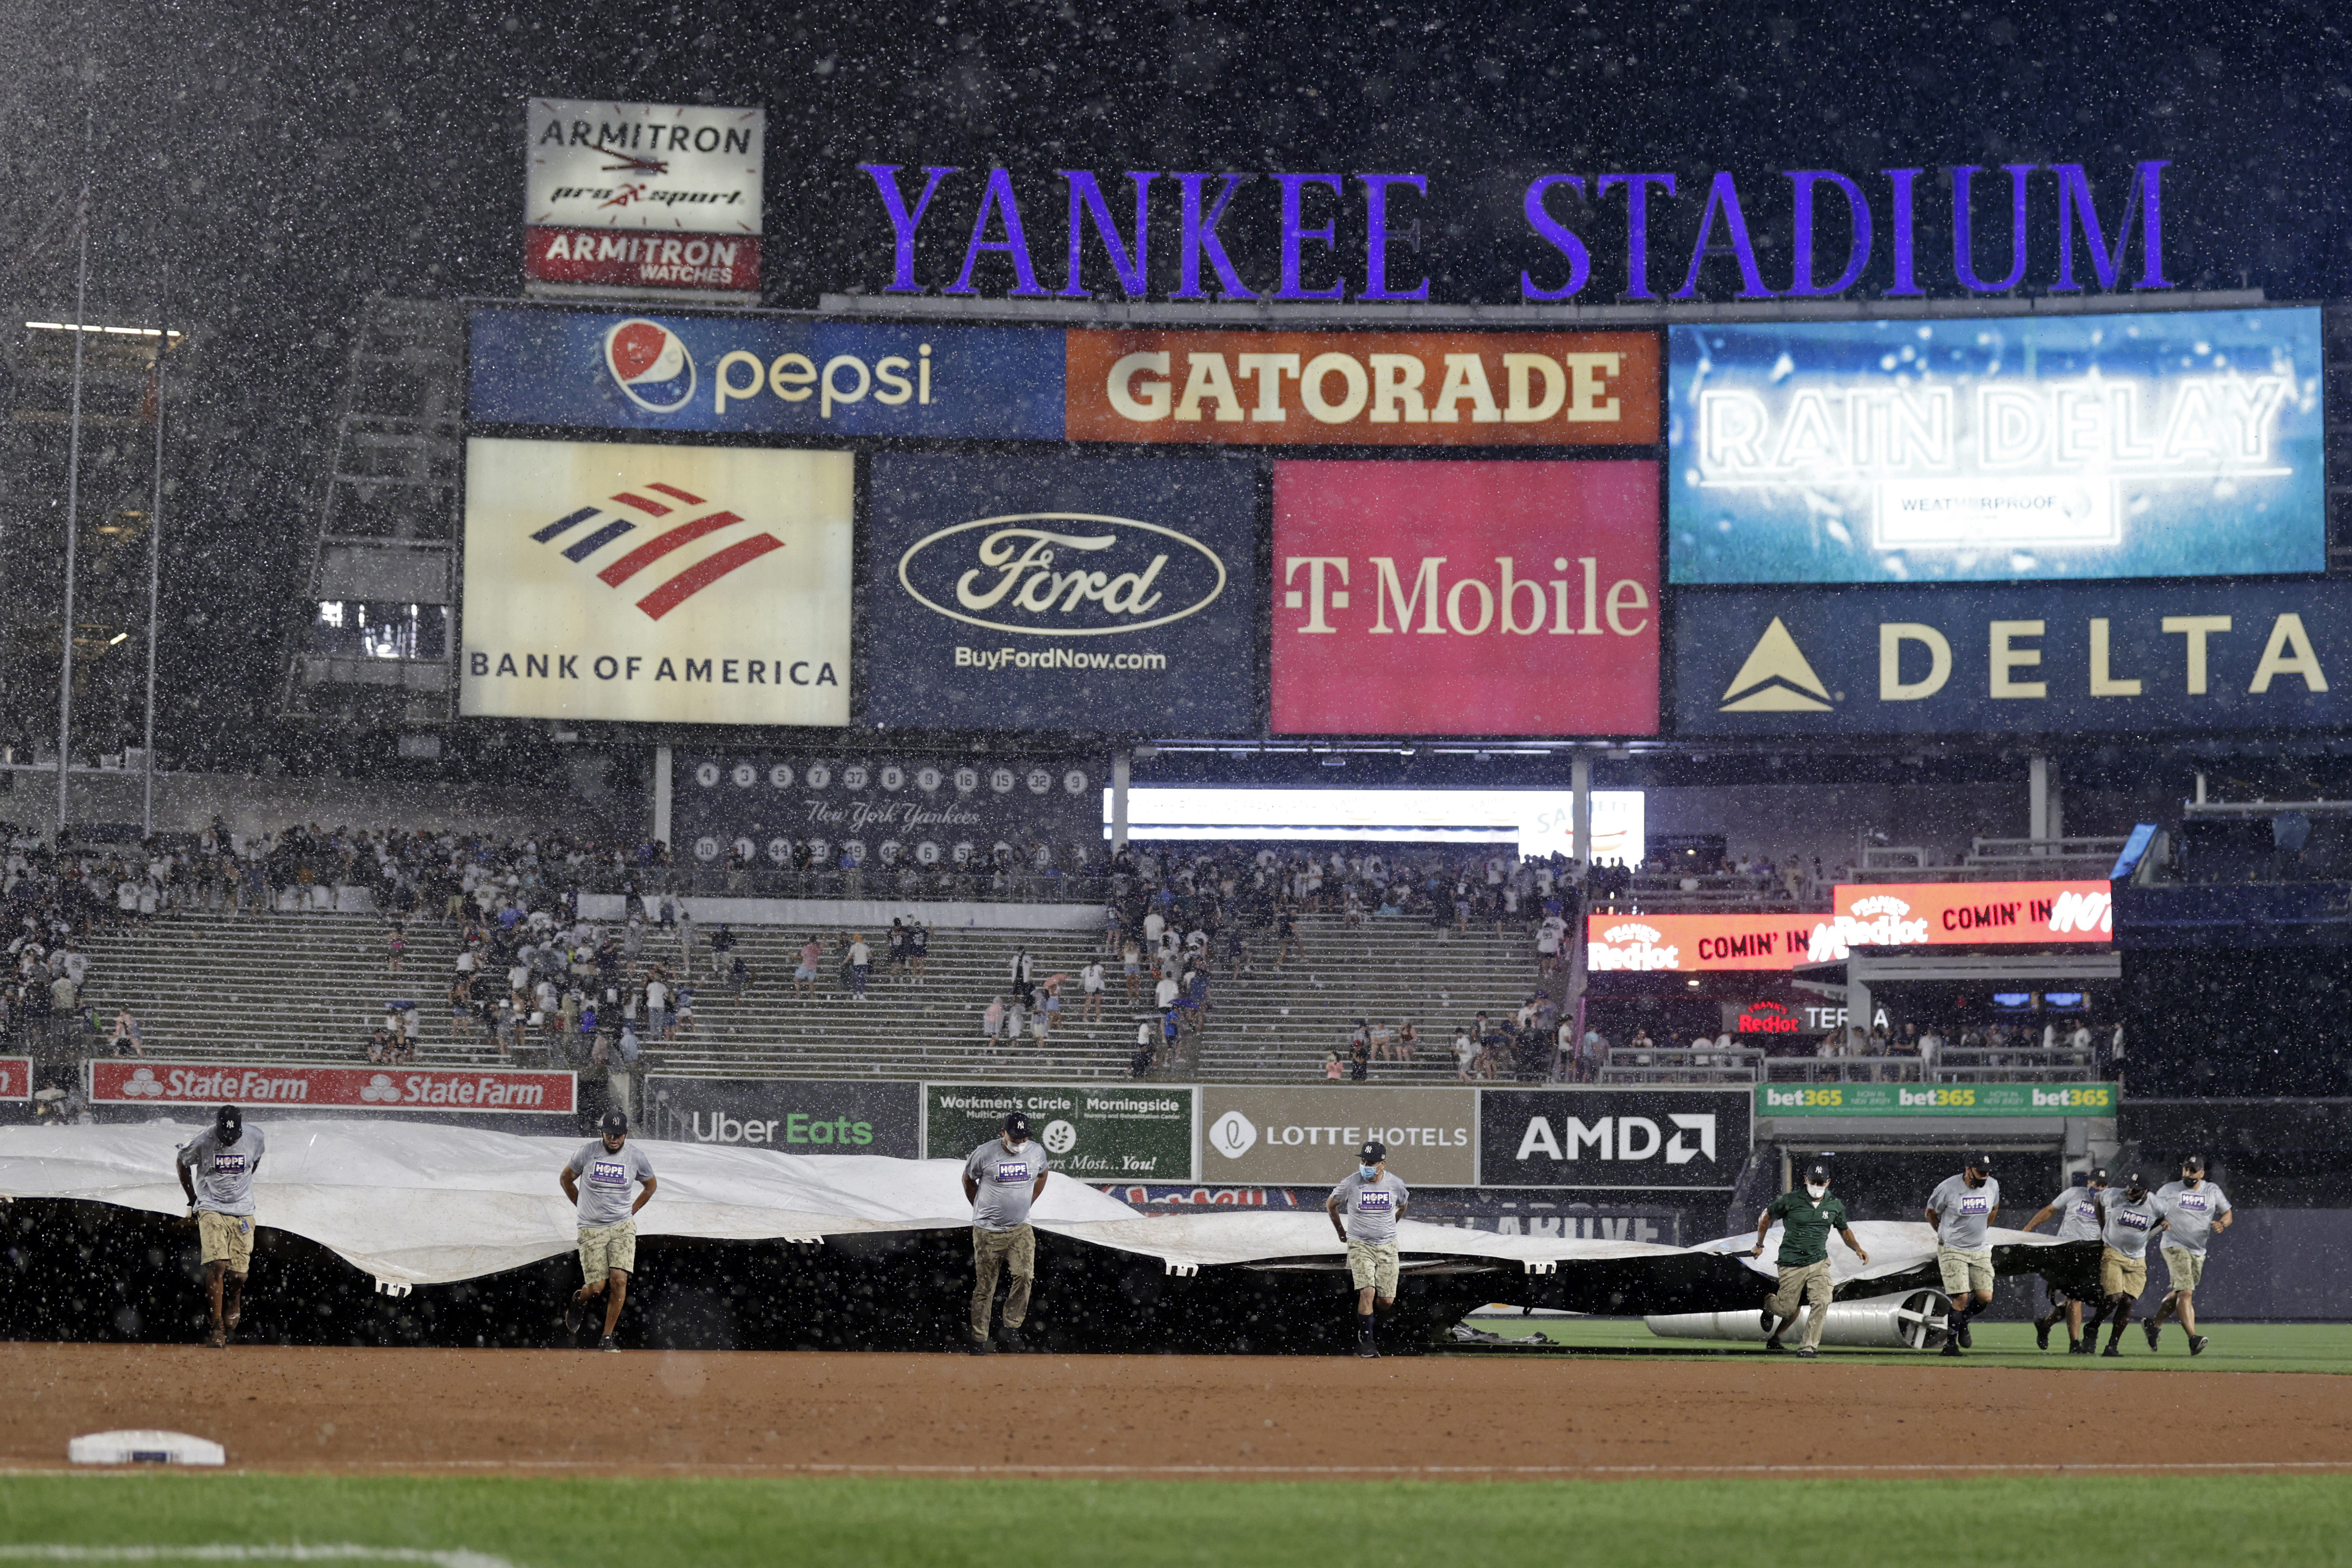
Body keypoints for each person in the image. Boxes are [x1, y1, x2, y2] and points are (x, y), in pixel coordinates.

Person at [560, 1108, 657, 1352]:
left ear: (626, 1134)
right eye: (609, 1134)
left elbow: (650, 1186)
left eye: (619, 1134)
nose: (614, 1139)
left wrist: (631, 1211)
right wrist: (581, 1205)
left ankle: (607, 1337)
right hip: (591, 1228)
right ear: (602, 1132)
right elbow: (566, 1179)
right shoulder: (588, 1152)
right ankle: (579, 1301)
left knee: (619, 1279)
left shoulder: (636, 1157)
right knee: (596, 1289)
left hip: (622, 1226)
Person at [1750, 1161, 1868, 1358]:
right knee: (1786, 1309)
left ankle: (1808, 1347)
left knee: (1822, 1300)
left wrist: (1857, 1248)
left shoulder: (1834, 1205)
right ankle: (1769, 1303)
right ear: (1806, 1180)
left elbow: (1844, 1229)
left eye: (1821, 1182)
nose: (1817, 1186)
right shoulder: (1791, 1200)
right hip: (1791, 1262)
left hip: (1819, 1262)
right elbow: (1766, 1216)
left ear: (1828, 1183)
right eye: (1813, 1181)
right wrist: (1760, 1245)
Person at [176, 1105, 266, 1348]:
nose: (230, 1140)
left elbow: (254, 1162)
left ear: (241, 1129)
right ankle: (217, 1326)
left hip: (243, 1210)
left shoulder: (256, 1137)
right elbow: (182, 1162)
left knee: (239, 1275)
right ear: (216, 1130)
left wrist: (242, 1182)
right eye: (224, 1137)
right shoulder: (203, 1140)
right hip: (210, 1205)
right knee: (217, 1264)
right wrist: (193, 1199)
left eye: (234, 1136)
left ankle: (234, 1296)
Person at [962, 1110, 1049, 1354]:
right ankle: (979, 1338)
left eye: (1023, 1139)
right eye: (1014, 1138)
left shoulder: (1036, 1152)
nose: (1020, 1143)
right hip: (988, 1232)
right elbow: (969, 1179)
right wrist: (979, 1208)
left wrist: (1029, 1201)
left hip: (1020, 1228)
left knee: (1025, 1276)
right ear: (1003, 1133)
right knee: (986, 1287)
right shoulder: (985, 1153)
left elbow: (1043, 1174)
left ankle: (1012, 1327)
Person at [1326, 1139, 1409, 1359]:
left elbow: (1404, 1205)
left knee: (1386, 1302)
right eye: (1364, 1160)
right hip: (1360, 1244)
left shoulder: (1395, 1184)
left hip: (1388, 1245)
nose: (1366, 1165)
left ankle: (1371, 1325)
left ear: (1383, 1163)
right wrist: (1341, 1233)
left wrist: (1391, 1224)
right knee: (1368, 1292)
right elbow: (1331, 1205)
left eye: (1371, 1161)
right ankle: (1368, 1343)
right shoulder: (1350, 1184)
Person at [2146, 1154, 2230, 1356]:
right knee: (2186, 1293)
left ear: (2202, 1173)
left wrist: (2222, 1224)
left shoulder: (2212, 1190)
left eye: (2193, 1170)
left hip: (2198, 1250)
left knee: (2180, 1292)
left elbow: (2227, 1213)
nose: (2188, 1173)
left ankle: (2154, 1325)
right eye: (2186, 1169)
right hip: (2174, 1244)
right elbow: (2151, 1211)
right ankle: (2194, 1339)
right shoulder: (2169, 1190)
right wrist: (2159, 1222)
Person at [2022, 1168, 2111, 1353]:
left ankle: (2045, 1325)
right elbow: (2050, 1210)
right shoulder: (2074, 1194)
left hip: (2091, 1255)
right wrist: (2027, 1229)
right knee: (2075, 1299)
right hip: (2066, 1252)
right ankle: (2075, 1344)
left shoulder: (2111, 1203)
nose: (2100, 1188)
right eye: (2097, 1184)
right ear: (2089, 1182)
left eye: (2104, 1185)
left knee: (2082, 1300)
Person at [1924, 1153, 2001, 1356]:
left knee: (1985, 1297)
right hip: (1952, 1248)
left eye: (1987, 1172)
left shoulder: (1993, 1185)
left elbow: (1995, 1208)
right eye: (1980, 1172)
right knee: (1961, 1296)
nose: (1984, 1176)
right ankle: (1950, 1346)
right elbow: (1931, 1212)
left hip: (1980, 1249)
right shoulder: (1948, 1187)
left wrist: (1983, 1230)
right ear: (1968, 1170)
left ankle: (1963, 1319)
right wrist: (1943, 1233)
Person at [2092, 1171, 2167, 1357]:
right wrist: (2103, 1227)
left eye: (2136, 1189)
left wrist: (2155, 1229)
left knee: (2127, 1302)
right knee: (2114, 1298)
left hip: (2137, 1258)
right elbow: (2097, 1198)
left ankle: (2112, 1347)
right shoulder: (2116, 1195)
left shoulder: (2157, 1205)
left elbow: (2163, 1218)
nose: (2131, 1191)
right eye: (2130, 1186)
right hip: (2114, 1251)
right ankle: (2093, 1326)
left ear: (2147, 1191)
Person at [794, 934, 822, 1000]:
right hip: (813, 967)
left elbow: (801, 957)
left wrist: (794, 956)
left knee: (796, 979)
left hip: (806, 966)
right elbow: (822, 946)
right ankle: (812, 996)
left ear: (809, 941)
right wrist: (825, 938)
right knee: (811, 982)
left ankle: (798, 994)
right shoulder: (817, 948)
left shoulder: (806, 948)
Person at [847, 933, 871, 1001]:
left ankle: (855, 994)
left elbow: (849, 956)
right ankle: (861, 994)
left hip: (857, 965)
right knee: (862, 979)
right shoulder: (865, 946)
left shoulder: (853, 947)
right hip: (864, 964)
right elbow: (870, 955)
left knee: (856, 979)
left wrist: (843, 963)